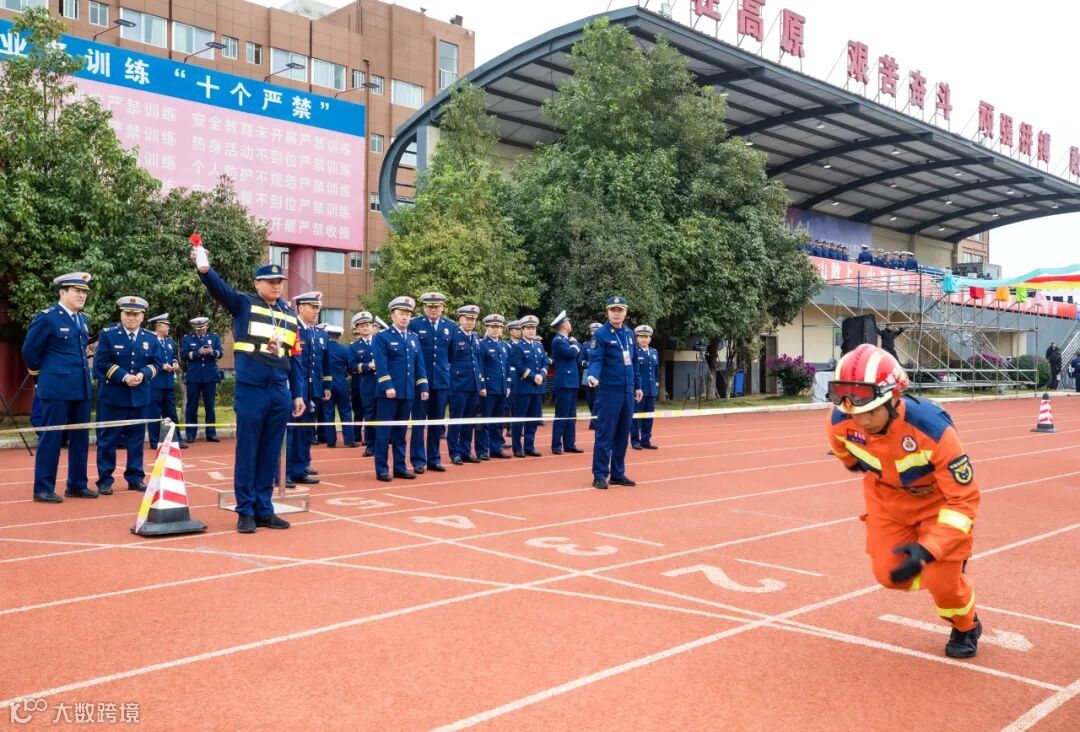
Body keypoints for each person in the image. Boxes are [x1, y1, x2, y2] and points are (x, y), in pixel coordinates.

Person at [826, 344, 983, 658]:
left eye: (871, 411)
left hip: (938, 503)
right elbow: (849, 458)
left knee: (943, 585)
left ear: (895, 399)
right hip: (886, 500)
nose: (862, 421)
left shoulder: (933, 429)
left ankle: (966, 625)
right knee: (889, 574)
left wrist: (931, 548)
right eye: (854, 412)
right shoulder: (840, 423)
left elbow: (963, 500)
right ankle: (943, 569)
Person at [195, 254, 304, 534]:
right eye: (270, 281)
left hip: (279, 390)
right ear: (257, 283)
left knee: (270, 453)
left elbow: (295, 357)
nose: (276, 285)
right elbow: (221, 291)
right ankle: (245, 510)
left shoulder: (289, 314)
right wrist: (205, 270)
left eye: (279, 281)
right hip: (252, 389)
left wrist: (298, 394)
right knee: (248, 451)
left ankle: (264, 509)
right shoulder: (244, 304)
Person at [22, 272, 94, 503]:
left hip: (81, 388)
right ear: (62, 293)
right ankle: (43, 488)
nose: (82, 296)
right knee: (51, 438)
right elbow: (29, 351)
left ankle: (77, 484)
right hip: (56, 389)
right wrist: (41, 377)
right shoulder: (48, 318)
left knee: (80, 438)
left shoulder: (82, 319)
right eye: (77, 291)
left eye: (84, 292)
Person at [93, 297, 162, 494]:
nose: (131, 317)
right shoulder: (108, 334)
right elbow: (101, 363)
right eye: (127, 313)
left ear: (142, 317)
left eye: (135, 314)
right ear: (121, 314)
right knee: (108, 440)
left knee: (136, 440)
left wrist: (143, 374)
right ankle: (105, 480)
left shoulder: (150, 338)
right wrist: (124, 376)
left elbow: (157, 363)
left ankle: (135, 477)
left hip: (139, 397)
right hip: (113, 397)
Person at [587, 296, 642, 490]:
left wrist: (637, 386)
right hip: (609, 391)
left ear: (626, 313)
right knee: (605, 434)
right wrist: (593, 375)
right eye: (613, 310)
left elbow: (634, 362)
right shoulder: (601, 334)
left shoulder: (629, 334)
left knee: (622, 435)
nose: (616, 313)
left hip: (627, 391)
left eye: (620, 310)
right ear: (608, 312)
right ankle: (600, 474)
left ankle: (618, 473)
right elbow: (596, 359)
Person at [373, 296, 429, 481]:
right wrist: (387, 386)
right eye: (401, 313)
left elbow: (419, 364)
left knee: (401, 433)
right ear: (392, 315)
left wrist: (423, 386)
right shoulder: (382, 337)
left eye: (408, 314)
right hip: (388, 394)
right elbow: (381, 365)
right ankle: (382, 468)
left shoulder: (413, 338)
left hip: (407, 392)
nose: (405, 317)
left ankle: (399, 467)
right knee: (384, 433)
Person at [409, 292, 456, 474]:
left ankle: (434, 459)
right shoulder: (414, 324)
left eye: (436, 306)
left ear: (442, 308)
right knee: (419, 423)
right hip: (421, 381)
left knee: (437, 423)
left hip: (441, 382)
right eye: (429, 306)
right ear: (424, 307)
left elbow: (451, 355)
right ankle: (418, 460)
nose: (433, 309)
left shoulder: (450, 326)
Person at [286, 292, 329, 487]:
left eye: (317, 308)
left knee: (305, 432)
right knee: (292, 432)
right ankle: (285, 472)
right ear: (300, 307)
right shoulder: (292, 328)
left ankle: (300, 468)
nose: (316, 311)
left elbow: (320, 364)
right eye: (312, 307)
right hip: (296, 389)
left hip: (313, 389)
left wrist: (325, 386)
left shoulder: (315, 332)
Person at [447, 305, 485, 465]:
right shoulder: (453, 335)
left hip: (473, 385)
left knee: (469, 421)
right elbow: (448, 359)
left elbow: (477, 361)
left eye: (473, 319)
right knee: (456, 421)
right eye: (467, 319)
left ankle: (466, 451)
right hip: (458, 385)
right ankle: (454, 452)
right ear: (460, 319)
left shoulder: (475, 336)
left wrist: (481, 383)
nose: (470, 322)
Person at [146, 313, 186, 450]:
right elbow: (148, 358)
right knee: (154, 414)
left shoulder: (169, 342)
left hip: (168, 383)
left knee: (171, 413)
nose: (168, 328)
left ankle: (176, 440)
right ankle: (155, 441)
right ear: (158, 326)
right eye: (166, 325)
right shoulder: (149, 341)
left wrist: (175, 363)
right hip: (155, 383)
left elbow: (174, 355)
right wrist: (162, 366)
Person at [509, 315, 547, 457]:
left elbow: (545, 362)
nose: (531, 331)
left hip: (537, 389)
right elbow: (518, 366)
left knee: (533, 419)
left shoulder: (538, 346)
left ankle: (529, 446)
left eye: (533, 328)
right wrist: (533, 376)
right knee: (520, 419)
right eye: (528, 328)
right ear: (522, 330)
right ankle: (517, 448)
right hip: (523, 388)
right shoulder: (517, 346)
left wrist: (541, 375)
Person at [182, 316, 222, 444]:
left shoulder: (214, 337)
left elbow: (220, 353)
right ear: (194, 329)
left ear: (207, 327)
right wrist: (198, 352)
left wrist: (212, 352)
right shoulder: (187, 339)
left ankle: (211, 433)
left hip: (210, 377)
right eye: (198, 329)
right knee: (191, 406)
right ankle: (190, 434)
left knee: (210, 406)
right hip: (194, 377)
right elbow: (183, 354)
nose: (201, 331)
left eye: (203, 329)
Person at [549, 310, 584, 455]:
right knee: (562, 415)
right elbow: (572, 353)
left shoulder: (566, 341)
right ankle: (556, 445)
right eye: (568, 321)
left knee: (571, 416)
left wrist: (574, 344)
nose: (570, 324)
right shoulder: (558, 341)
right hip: (564, 382)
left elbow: (578, 352)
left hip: (571, 381)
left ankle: (569, 444)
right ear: (563, 325)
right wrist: (574, 343)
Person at [477, 314, 511, 460]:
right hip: (488, 389)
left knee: (498, 422)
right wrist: (482, 385)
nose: (496, 329)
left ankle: (496, 448)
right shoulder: (482, 345)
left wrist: (508, 385)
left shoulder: (503, 346)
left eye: (498, 327)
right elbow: (479, 367)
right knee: (484, 422)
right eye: (493, 327)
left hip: (501, 389)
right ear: (487, 328)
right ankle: (482, 450)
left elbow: (507, 368)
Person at [322, 325, 358, 448]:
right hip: (341, 382)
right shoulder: (345, 349)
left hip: (326, 383)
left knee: (328, 413)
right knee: (346, 411)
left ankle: (330, 441)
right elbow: (350, 367)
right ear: (339, 336)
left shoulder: (324, 349)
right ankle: (349, 440)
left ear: (327, 335)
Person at [349, 312, 377, 455]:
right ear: (357, 329)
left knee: (383, 414)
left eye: (367, 325)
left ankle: (382, 443)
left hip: (382, 383)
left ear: (372, 326)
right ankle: (371, 445)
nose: (365, 328)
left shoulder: (380, 341)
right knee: (369, 415)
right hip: (366, 384)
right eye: (362, 326)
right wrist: (368, 366)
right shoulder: (354, 346)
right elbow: (351, 366)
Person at [631, 325, 660, 450]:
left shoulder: (654, 352)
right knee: (637, 417)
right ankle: (635, 441)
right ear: (637, 338)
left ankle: (646, 440)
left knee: (649, 417)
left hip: (651, 390)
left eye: (646, 337)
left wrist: (656, 384)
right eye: (641, 337)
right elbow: (633, 371)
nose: (644, 339)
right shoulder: (634, 351)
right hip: (639, 390)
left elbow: (656, 371)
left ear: (650, 338)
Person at [585, 322, 601, 430]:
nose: (594, 333)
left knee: (597, 400)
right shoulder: (586, 345)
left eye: (597, 331)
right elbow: (580, 360)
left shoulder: (604, 344)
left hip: (600, 377)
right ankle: (594, 417)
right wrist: (588, 364)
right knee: (590, 401)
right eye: (593, 331)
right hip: (589, 375)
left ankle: (594, 422)